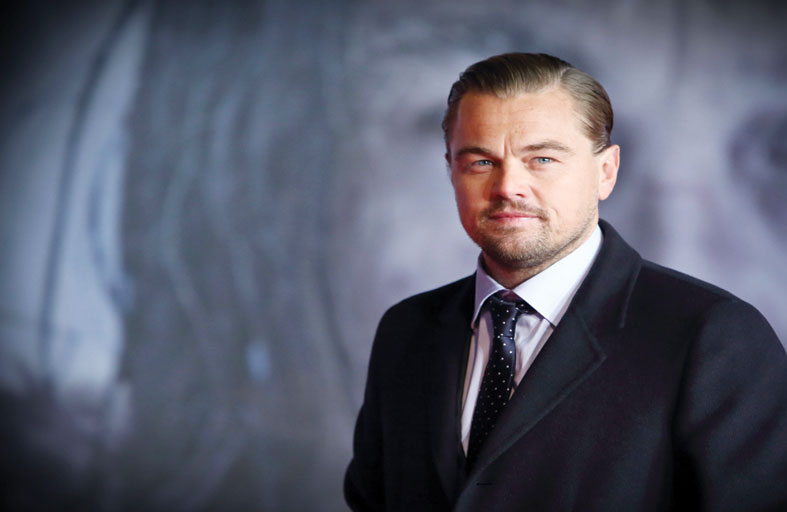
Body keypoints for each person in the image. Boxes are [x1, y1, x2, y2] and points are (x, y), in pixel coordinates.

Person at [344, 53, 787, 511]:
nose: (508, 187)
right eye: (480, 162)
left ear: (605, 172)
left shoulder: (714, 337)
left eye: (542, 158)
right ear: (452, 170)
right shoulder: (406, 330)